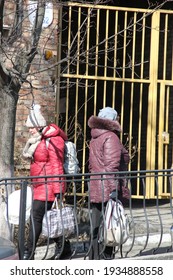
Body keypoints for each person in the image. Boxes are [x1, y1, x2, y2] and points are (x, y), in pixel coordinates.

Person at [22, 104, 71, 260]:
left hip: (49, 186)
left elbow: (56, 165)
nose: (29, 130)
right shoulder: (38, 140)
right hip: (40, 185)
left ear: (39, 125)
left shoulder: (53, 139)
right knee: (48, 218)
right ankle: (64, 246)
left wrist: (58, 190)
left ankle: (28, 253)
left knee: (36, 217)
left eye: (31, 126)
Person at [87, 107, 130, 260]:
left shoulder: (95, 136)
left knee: (98, 225)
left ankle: (94, 259)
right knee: (110, 225)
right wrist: (113, 190)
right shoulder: (111, 137)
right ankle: (105, 260)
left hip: (96, 185)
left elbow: (92, 165)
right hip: (108, 187)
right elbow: (111, 166)